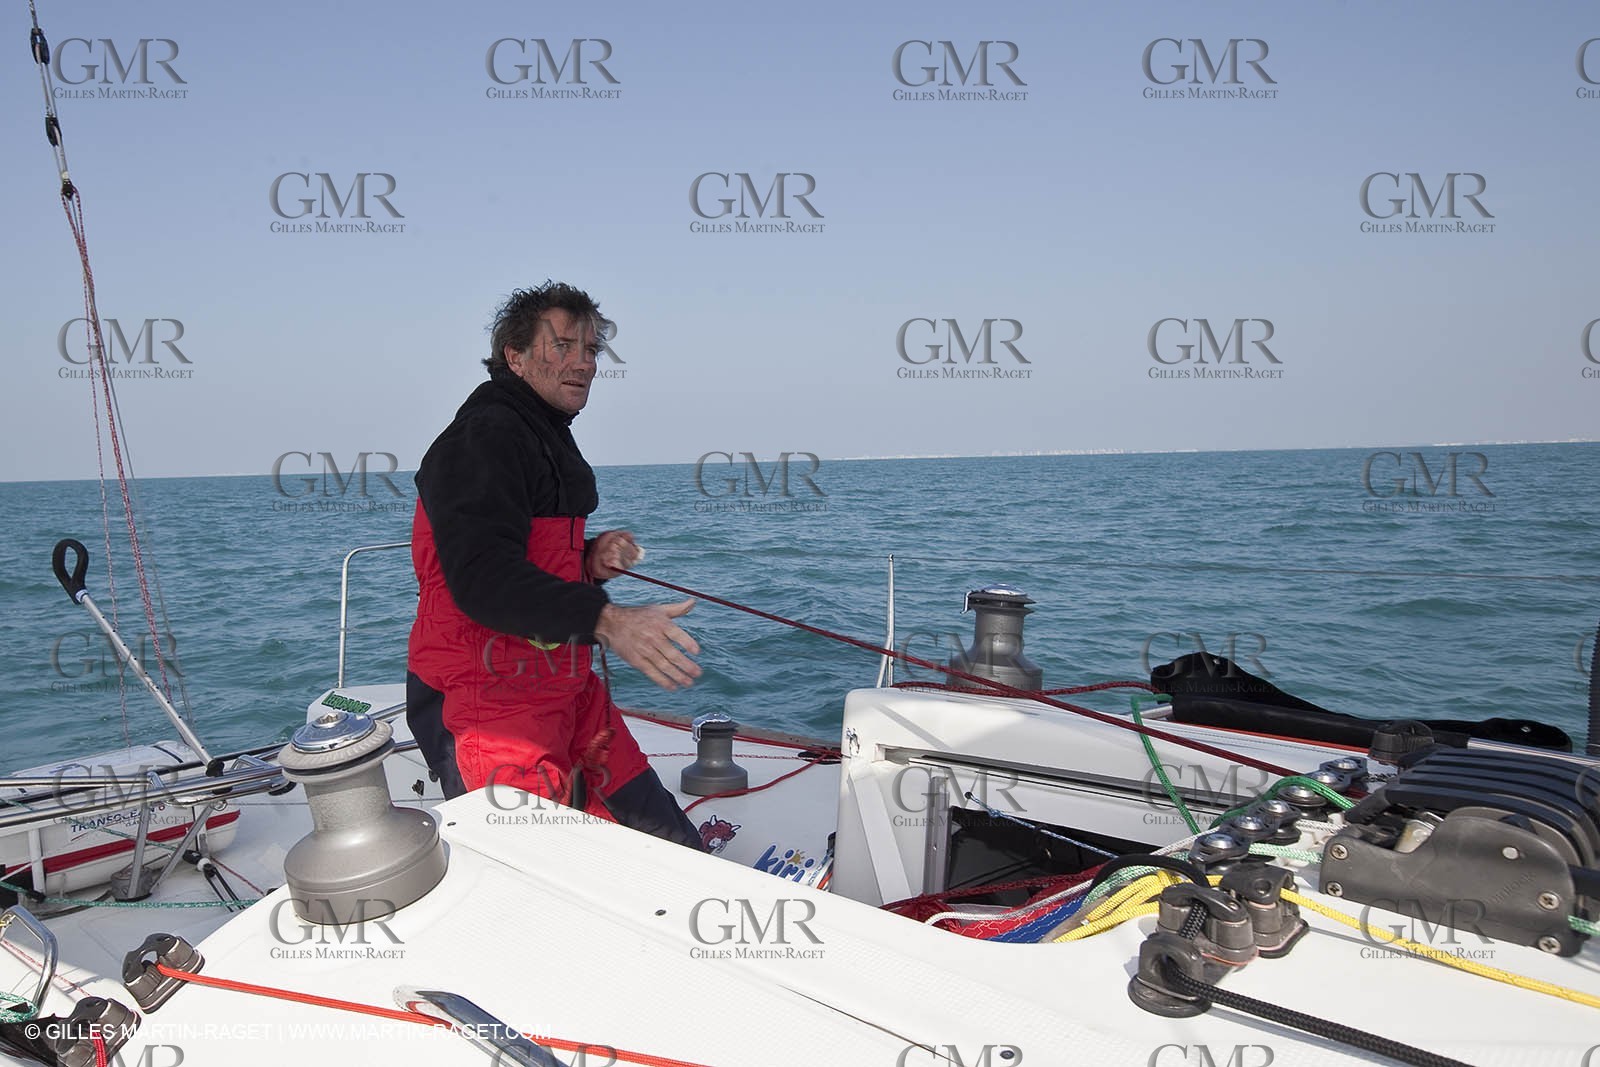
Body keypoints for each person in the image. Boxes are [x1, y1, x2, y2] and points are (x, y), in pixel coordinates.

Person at [406, 281, 704, 848]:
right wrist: (611, 621)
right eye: (562, 346)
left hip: (564, 687)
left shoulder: (538, 432)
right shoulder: (482, 437)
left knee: (672, 847)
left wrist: (587, 561)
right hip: (486, 703)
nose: (583, 363)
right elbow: (484, 578)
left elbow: (525, 553)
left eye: (591, 350)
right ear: (513, 356)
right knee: (545, 881)